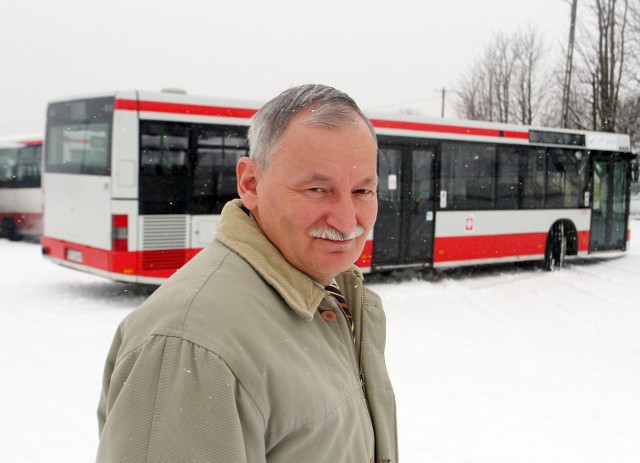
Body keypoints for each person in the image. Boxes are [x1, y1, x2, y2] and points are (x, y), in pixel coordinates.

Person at [97, 84, 398, 462]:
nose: (346, 220)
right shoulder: (190, 344)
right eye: (317, 189)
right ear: (250, 184)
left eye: (362, 192)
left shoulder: (334, 296)